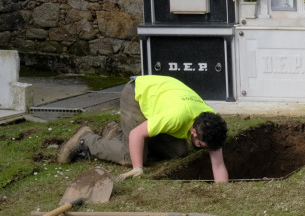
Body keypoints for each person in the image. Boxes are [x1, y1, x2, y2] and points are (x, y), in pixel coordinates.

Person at [57, 75, 229, 182]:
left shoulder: (209, 122)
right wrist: (138, 167)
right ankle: (85, 139)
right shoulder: (176, 117)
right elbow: (136, 134)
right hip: (137, 95)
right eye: (201, 144)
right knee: (130, 157)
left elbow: (218, 163)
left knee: (178, 151)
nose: (201, 148)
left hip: (161, 98)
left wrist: (223, 193)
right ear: (194, 131)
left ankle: (115, 132)